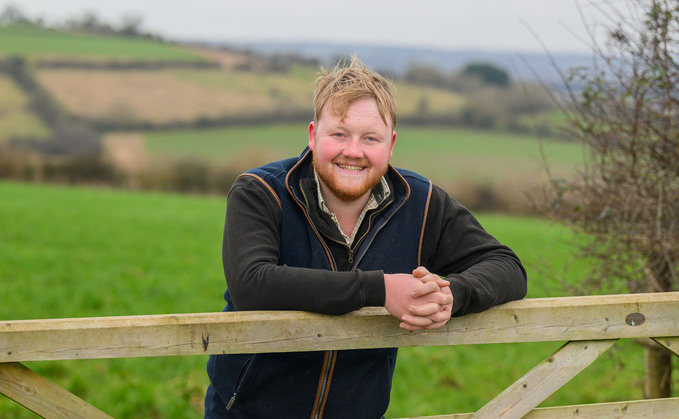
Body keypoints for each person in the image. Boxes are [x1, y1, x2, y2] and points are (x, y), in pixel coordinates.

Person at [204, 56, 527, 419]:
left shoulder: (420, 203)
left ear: (390, 145)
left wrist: (452, 294)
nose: (353, 151)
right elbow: (252, 284)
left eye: (369, 138)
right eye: (339, 134)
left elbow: (507, 267)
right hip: (247, 413)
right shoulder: (261, 191)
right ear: (313, 136)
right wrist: (382, 290)